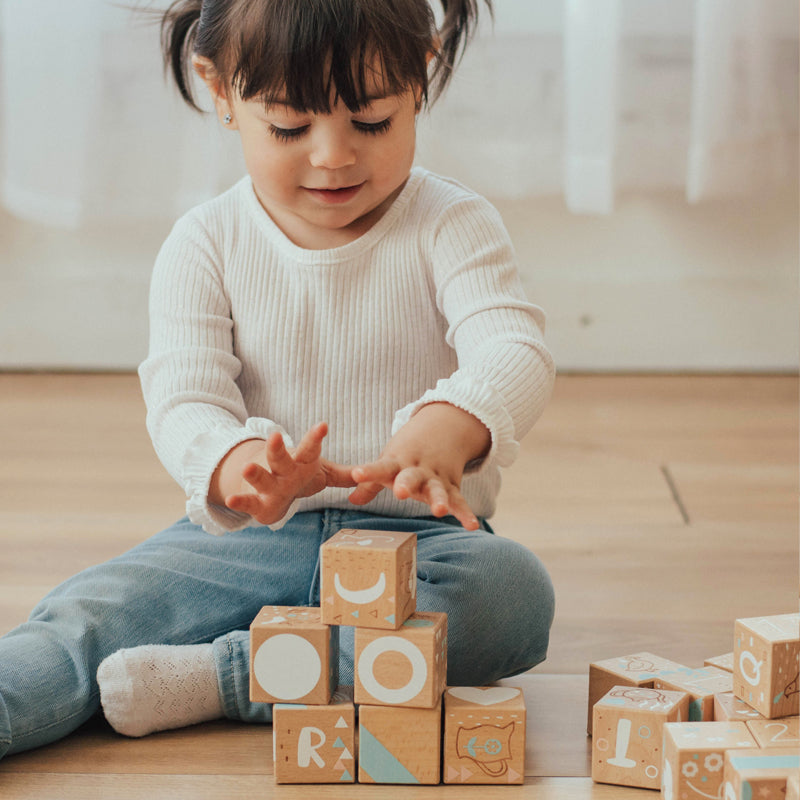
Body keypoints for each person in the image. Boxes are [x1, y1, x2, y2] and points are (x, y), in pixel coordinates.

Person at [0, 0, 556, 758]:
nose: (334, 157)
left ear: (419, 73)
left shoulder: (451, 222)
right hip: (246, 541)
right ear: (220, 90)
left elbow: (512, 346)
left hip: (418, 549)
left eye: (373, 122)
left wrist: (448, 425)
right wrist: (238, 467)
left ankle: (224, 677)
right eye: (290, 128)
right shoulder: (204, 242)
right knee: (87, 615)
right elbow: (185, 399)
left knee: (511, 596)